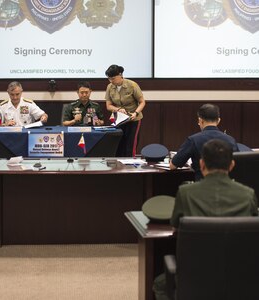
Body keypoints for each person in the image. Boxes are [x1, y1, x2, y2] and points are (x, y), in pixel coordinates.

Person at [153, 139, 258, 300]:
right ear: (231, 166)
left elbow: (175, 225)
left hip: (195, 274)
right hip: (239, 273)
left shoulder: (186, 192)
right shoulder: (248, 194)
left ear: (201, 164)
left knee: (160, 284)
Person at [170, 103, 239, 181]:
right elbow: (238, 165)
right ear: (218, 120)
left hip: (201, 187)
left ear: (200, 120)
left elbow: (173, 165)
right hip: (227, 189)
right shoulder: (230, 140)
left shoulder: (193, 140)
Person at [105, 64, 146, 157]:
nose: (111, 81)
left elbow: (142, 102)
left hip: (133, 119)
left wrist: (135, 113)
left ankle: (130, 167)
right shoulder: (109, 87)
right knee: (119, 145)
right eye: (109, 79)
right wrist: (118, 109)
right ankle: (118, 168)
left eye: (113, 78)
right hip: (119, 119)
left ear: (120, 75)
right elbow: (108, 106)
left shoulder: (132, 85)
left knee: (130, 145)